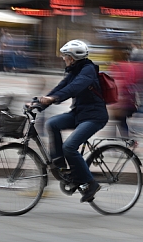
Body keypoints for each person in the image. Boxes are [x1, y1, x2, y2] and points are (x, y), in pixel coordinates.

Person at [39, 39, 109, 203]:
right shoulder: (74, 71)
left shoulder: (88, 70)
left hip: (94, 117)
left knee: (69, 146)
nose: (64, 59)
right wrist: (39, 103)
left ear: (73, 57)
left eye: (66, 56)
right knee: (52, 123)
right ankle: (61, 166)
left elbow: (75, 87)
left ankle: (91, 183)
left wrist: (54, 98)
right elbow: (61, 87)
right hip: (79, 114)